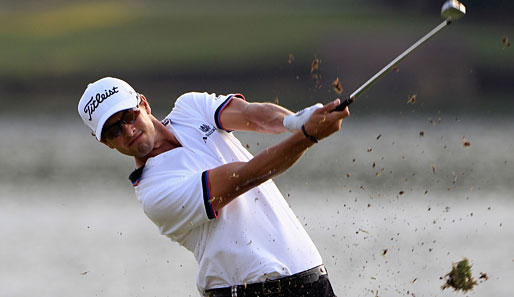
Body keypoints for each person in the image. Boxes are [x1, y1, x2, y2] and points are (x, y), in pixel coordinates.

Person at [77, 77, 350, 297]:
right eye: (113, 130)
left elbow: (252, 115)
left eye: (128, 116)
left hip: (312, 279)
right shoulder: (155, 192)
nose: (127, 131)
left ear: (144, 105)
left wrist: (295, 121)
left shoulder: (190, 107)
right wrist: (308, 135)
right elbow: (246, 176)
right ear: (106, 143)